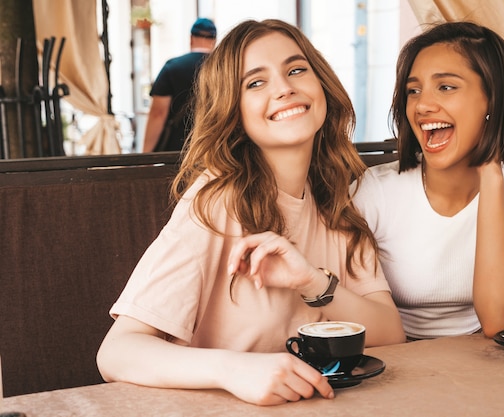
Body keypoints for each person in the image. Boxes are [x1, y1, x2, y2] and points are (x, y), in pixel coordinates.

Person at [97, 19, 405, 406]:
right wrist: (235, 369)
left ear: (322, 85)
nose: (284, 87)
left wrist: (311, 282)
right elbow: (116, 352)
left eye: (296, 70)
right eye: (255, 83)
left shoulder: (338, 199)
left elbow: (390, 332)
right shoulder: (215, 202)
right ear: (234, 112)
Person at [351, 21, 504, 340]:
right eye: (413, 90)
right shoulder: (374, 190)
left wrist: (491, 172)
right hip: (397, 355)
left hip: (494, 357)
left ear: (492, 99)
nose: (422, 105)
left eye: (446, 87)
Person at [142, 18, 217, 152]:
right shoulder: (224, 68)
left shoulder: (173, 67)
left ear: (191, 38)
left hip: (176, 151)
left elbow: (158, 113)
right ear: (214, 40)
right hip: (215, 148)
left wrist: (146, 153)